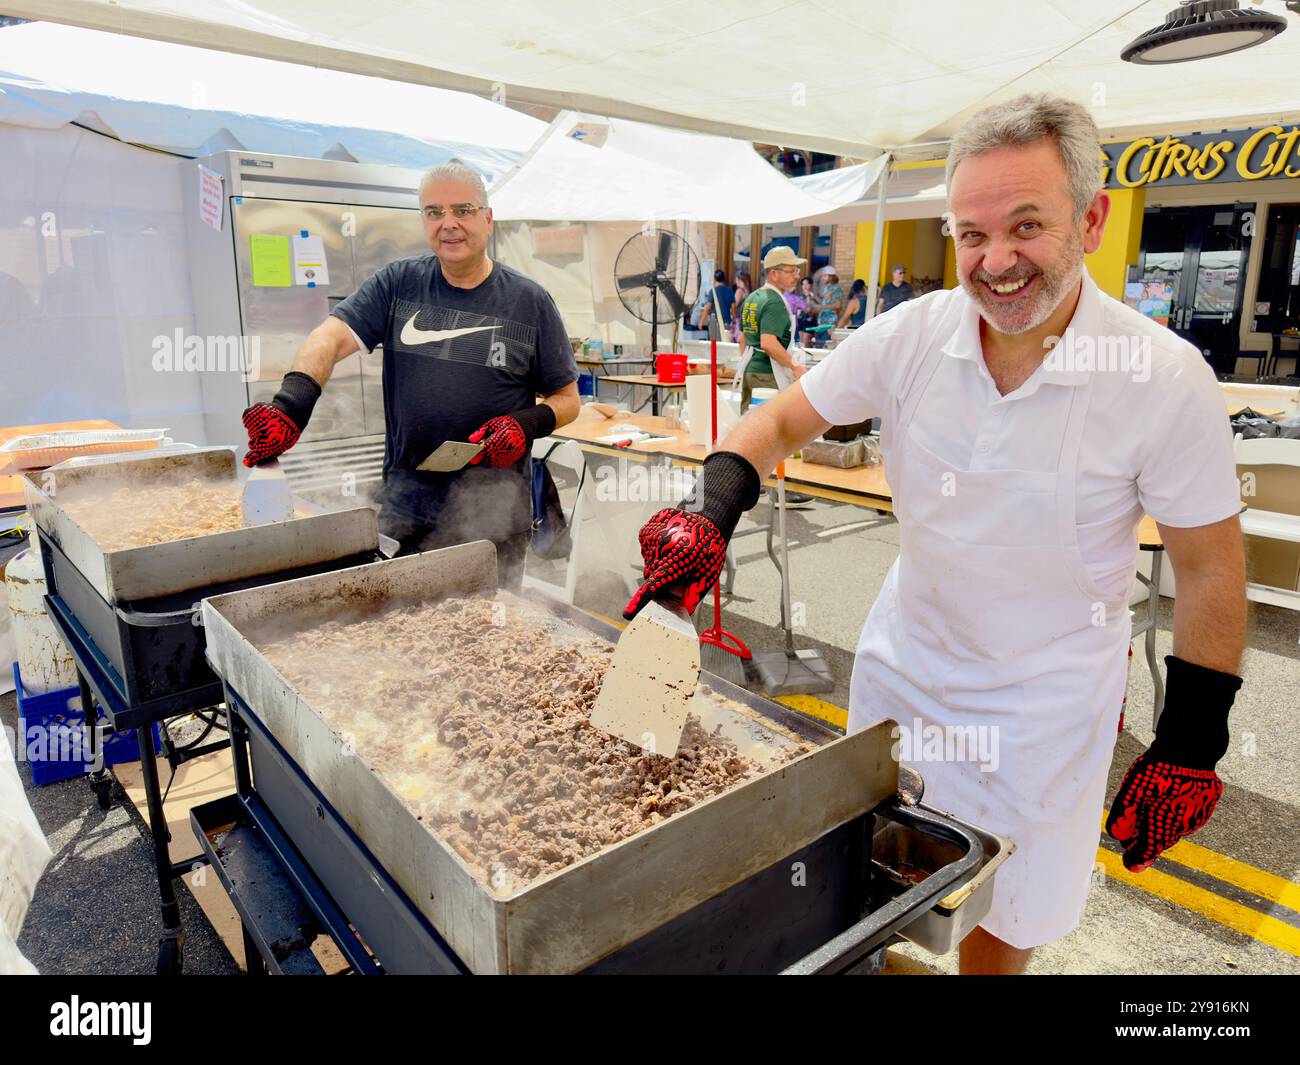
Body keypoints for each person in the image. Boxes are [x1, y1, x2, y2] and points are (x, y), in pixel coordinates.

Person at [624, 94, 1245, 975]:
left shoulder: (1162, 376)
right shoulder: (912, 336)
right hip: (905, 678)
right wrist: (708, 511)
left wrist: (1192, 738)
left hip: (1043, 714)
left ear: (1093, 218)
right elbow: (776, 425)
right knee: (869, 890)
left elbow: (1211, 567)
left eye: (1026, 226)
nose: (996, 262)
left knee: (999, 924)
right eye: (970, 234)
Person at [242, 161, 580, 589]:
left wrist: (525, 424)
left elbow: (567, 401)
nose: (449, 224)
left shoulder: (529, 301)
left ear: (488, 219)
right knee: (404, 638)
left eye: (463, 210)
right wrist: (291, 404)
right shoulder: (398, 285)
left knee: (491, 641)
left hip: (496, 517)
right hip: (408, 509)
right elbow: (328, 337)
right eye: (434, 212)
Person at [737, 246, 807, 413]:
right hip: (767, 376)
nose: (797, 276)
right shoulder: (774, 302)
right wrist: (795, 366)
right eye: (791, 271)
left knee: (747, 425)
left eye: (796, 270)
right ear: (774, 274)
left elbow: (742, 338)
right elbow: (768, 343)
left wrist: (751, 365)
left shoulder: (753, 297)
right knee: (766, 431)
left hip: (749, 371)